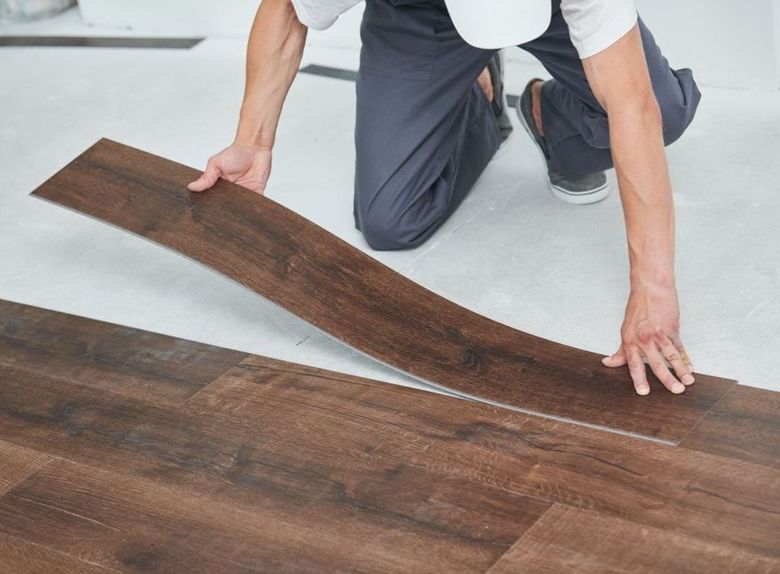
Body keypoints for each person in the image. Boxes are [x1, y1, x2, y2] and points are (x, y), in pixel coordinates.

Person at [189, 0, 701, 397]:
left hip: (551, 12)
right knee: (390, 220)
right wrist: (252, 141)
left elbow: (633, 104)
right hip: (418, 13)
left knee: (664, 112)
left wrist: (653, 290)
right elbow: (287, 9)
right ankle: (475, 97)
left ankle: (551, 118)